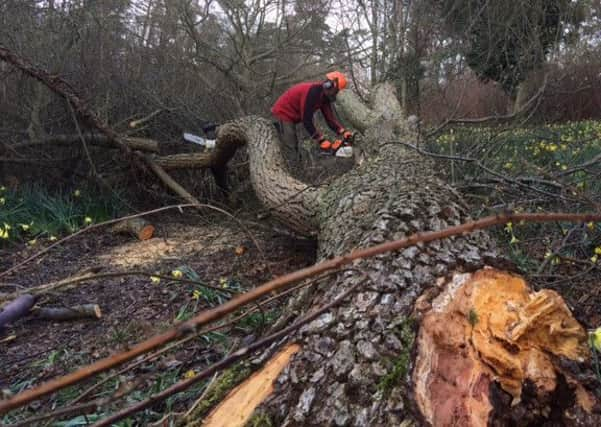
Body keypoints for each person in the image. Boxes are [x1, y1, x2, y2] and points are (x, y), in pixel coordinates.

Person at [271, 71, 354, 164]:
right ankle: (293, 169)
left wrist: (342, 131)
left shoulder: (325, 97)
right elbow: (306, 120)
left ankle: (298, 166)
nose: (335, 95)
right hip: (283, 112)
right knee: (291, 146)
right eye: (336, 92)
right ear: (330, 86)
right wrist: (320, 139)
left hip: (293, 116)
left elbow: (329, 118)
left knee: (296, 144)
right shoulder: (313, 93)